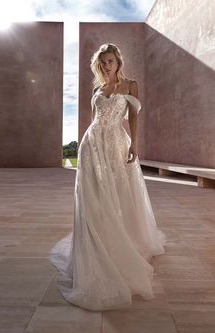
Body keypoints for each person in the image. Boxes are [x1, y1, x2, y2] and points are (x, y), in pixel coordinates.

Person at [49, 43, 166, 311]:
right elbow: (94, 121)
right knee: (93, 195)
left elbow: (133, 117)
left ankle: (121, 239)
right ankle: (96, 239)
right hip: (92, 145)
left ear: (118, 61)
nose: (106, 66)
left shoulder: (130, 85)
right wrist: (87, 143)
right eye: (102, 62)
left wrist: (134, 145)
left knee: (119, 191)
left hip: (116, 144)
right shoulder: (96, 90)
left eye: (110, 61)